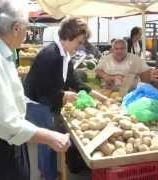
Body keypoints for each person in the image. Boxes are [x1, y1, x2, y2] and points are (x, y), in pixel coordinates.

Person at [0, 1, 71, 180]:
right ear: (16, 28)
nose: (27, 32)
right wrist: (50, 136)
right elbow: (6, 123)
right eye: (27, 26)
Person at [24, 17, 107, 180]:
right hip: (37, 105)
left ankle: (53, 171)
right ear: (69, 36)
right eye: (79, 41)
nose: (80, 45)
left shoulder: (65, 55)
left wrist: (101, 97)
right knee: (47, 144)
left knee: (56, 138)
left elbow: (74, 82)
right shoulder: (50, 55)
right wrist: (63, 95)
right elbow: (42, 90)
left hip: (48, 101)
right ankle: (48, 176)